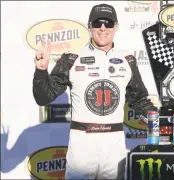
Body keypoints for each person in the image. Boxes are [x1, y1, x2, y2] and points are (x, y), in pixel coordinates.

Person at [32, 3, 157, 179]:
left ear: (116, 27)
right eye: (98, 23)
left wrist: (160, 122)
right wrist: (41, 70)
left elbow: (140, 99)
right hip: (82, 142)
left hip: (114, 145)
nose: (103, 28)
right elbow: (43, 97)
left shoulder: (127, 59)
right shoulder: (71, 58)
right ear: (89, 26)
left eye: (108, 22)